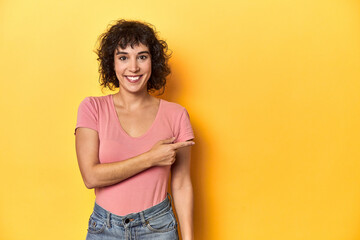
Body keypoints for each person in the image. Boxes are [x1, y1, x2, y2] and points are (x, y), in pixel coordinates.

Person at [74, 19, 195, 240]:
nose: (133, 67)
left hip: (158, 228)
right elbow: (90, 176)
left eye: (142, 56)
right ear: (112, 63)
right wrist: (151, 157)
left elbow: (181, 183)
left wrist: (188, 239)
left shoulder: (176, 114)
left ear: (153, 62)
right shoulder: (92, 108)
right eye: (123, 57)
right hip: (105, 229)